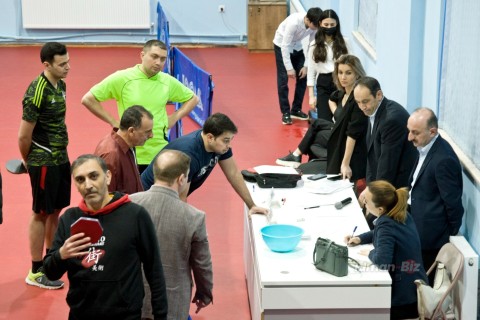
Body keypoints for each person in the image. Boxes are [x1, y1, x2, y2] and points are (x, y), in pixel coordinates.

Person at [43, 155, 168, 320]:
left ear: (108, 177)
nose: (88, 185)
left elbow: (154, 270)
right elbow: (50, 273)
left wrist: (161, 315)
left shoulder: (135, 215)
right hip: (81, 314)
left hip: (126, 315)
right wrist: (61, 254)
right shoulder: (69, 219)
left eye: (94, 176)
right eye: (80, 180)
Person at [81, 39, 199, 172]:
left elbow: (193, 99)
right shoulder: (123, 78)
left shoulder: (167, 81)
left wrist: (173, 118)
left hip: (159, 150)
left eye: (162, 59)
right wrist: (113, 121)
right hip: (131, 150)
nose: (158, 63)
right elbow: (88, 99)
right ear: (142, 55)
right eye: (154, 57)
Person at [130, 150, 213, 320]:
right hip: (172, 301)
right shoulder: (194, 217)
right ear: (181, 179)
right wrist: (205, 294)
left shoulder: (130, 203)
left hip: (132, 296)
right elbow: (202, 264)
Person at [141, 113, 269, 216]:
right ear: (210, 137)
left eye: (230, 140)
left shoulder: (220, 147)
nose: (229, 145)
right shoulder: (189, 154)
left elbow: (233, 173)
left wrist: (251, 205)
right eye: (226, 141)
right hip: (148, 196)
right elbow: (180, 197)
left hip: (170, 197)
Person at [18, 42, 71, 289]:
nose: (67, 68)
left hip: (61, 156)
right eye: (62, 64)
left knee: (56, 209)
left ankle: (51, 260)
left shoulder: (61, 85)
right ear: (47, 65)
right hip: (43, 159)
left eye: (68, 62)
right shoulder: (36, 91)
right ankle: (36, 270)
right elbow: (23, 136)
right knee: (40, 212)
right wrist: (29, 161)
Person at [276, 54, 368, 191]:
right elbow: (331, 99)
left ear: (357, 74)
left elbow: (352, 135)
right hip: (339, 134)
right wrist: (338, 113)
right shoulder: (343, 92)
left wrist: (345, 164)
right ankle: (300, 157)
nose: (343, 77)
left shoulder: (357, 98)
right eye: (340, 72)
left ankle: (299, 157)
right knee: (316, 133)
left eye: (348, 73)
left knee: (313, 139)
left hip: (348, 145)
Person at [346, 180, 428, 320]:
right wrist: (360, 238)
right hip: (415, 286)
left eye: (366, 202)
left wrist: (371, 252)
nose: (364, 203)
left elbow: (382, 259)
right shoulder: (399, 212)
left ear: (380, 209)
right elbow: (379, 232)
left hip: (403, 300)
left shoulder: (386, 223)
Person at [406, 107, 464, 284]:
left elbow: (453, 206)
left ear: (432, 131)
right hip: (414, 223)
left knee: (424, 284)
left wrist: (445, 235)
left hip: (431, 239)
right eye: (409, 131)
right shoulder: (425, 146)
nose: (409, 137)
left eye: (415, 133)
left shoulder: (443, 159)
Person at [273, 7, 323, 125]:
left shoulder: (314, 25)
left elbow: (311, 45)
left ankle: (295, 110)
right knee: (283, 80)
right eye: (315, 26)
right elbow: (285, 46)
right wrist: (289, 68)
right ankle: (285, 112)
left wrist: (306, 66)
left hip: (297, 47)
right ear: (308, 21)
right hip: (281, 45)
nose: (317, 29)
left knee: (303, 76)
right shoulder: (293, 23)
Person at [94, 105, 154, 194]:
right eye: (147, 132)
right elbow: (105, 199)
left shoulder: (129, 144)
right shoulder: (111, 156)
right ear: (131, 131)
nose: (151, 136)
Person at [307, 9, 349, 122]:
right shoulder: (314, 45)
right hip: (323, 83)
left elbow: (351, 64)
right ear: (320, 24)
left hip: (341, 82)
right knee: (324, 120)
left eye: (332, 24)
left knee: (341, 119)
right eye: (326, 24)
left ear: (337, 24)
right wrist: (311, 96)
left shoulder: (345, 42)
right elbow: (311, 71)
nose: (329, 27)